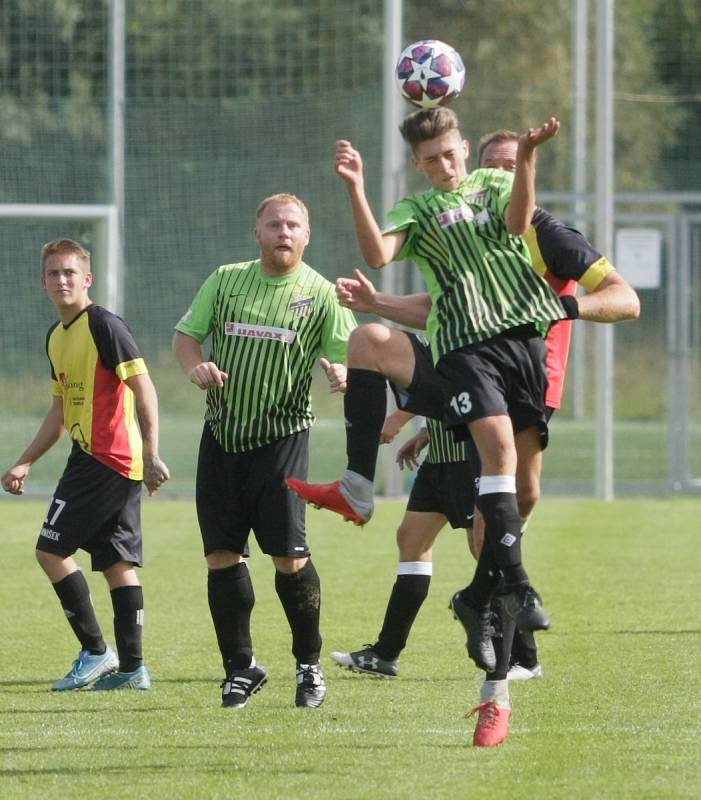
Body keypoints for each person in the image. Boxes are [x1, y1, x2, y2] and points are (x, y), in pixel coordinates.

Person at [287, 110, 638, 745]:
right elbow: (385, 259)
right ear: (419, 165)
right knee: (371, 341)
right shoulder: (421, 210)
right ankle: (357, 486)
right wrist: (357, 188)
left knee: (500, 520)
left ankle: (493, 648)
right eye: (431, 160)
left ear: (467, 151)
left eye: (452, 155)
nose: (444, 167)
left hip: (523, 361)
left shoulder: (505, 195)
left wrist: (529, 159)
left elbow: (528, 231)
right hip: (464, 356)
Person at [172, 193, 356, 710]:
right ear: (257, 232)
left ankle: (309, 666)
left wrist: (344, 372)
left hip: (283, 438)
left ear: (307, 235)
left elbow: (349, 357)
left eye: (293, 225)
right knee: (220, 556)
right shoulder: (226, 280)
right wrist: (194, 366)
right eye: (274, 224)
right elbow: (186, 336)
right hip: (222, 436)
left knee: (288, 558)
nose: (283, 232)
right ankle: (240, 668)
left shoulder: (321, 295)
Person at [1, 238, 170, 692]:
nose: (61, 280)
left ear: (87, 279)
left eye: (69, 273)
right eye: (53, 273)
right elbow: (60, 412)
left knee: (50, 550)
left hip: (106, 459)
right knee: (116, 562)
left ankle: (97, 651)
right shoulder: (57, 338)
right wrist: (25, 462)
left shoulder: (104, 325)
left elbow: (144, 388)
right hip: (92, 457)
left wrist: (153, 452)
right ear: (42, 282)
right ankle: (133, 670)